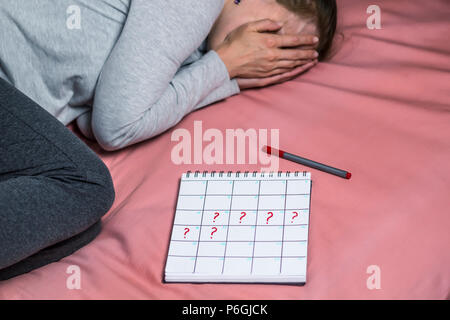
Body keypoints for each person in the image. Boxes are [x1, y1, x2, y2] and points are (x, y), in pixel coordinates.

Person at [0, 0, 337, 280]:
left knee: (75, 228)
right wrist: (225, 68)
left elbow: (95, 116)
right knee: (86, 187)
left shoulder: (189, 51)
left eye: (282, 59)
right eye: (272, 38)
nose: (265, 57)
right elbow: (116, 126)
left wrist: (219, 68)